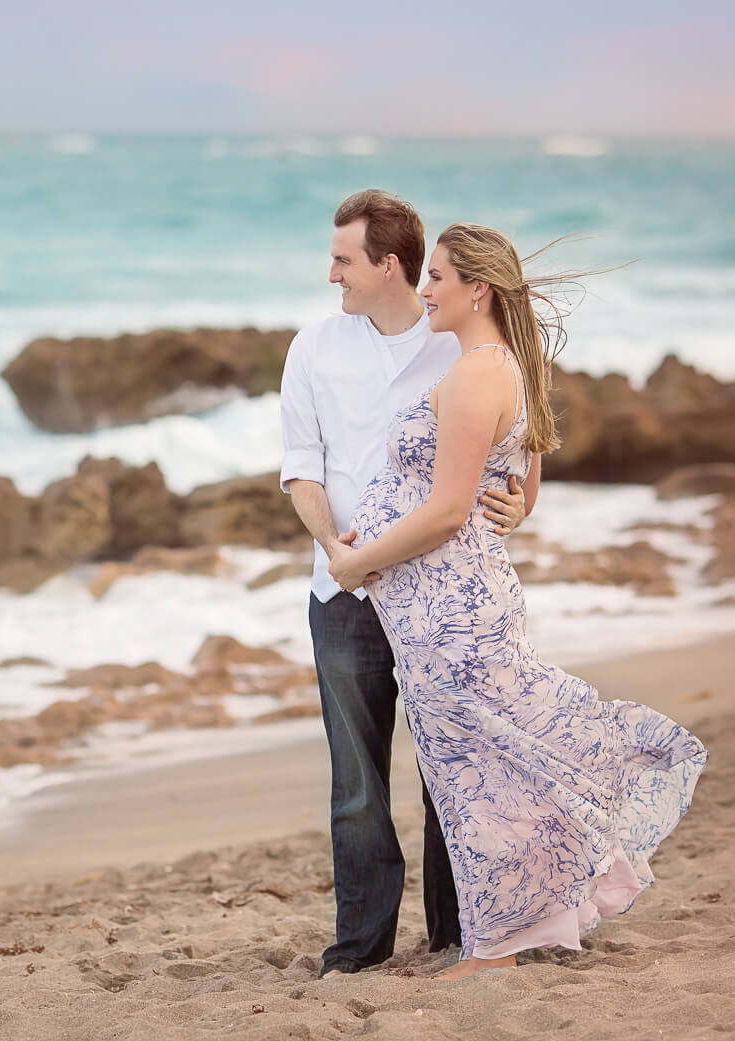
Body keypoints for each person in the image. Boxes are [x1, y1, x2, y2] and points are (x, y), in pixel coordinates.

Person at [328, 222, 707, 979]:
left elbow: (444, 510)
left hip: (452, 614)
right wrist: (517, 508)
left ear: (479, 289)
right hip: (446, 611)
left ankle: (495, 946)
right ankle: (511, 931)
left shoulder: (477, 374)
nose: (425, 290)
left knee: (479, 776)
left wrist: (354, 561)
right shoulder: (500, 365)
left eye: (436, 277)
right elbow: (517, 487)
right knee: (481, 772)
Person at [279, 190, 529, 977]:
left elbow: (518, 445)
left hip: (433, 599)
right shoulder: (313, 348)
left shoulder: (458, 341)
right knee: (356, 781)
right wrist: (336, 544)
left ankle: (456, 937)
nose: (331, 275)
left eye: (344, 259)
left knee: (447, 769)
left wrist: (521, 499)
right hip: (344, 595)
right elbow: (300, 470)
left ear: (391, 265)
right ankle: (360, 950)